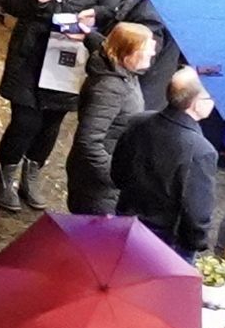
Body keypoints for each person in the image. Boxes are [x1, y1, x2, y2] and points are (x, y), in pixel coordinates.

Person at [0, 0, 148, 215]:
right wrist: (35, 1)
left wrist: (94, 16)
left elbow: (111, 11)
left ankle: (32, 174)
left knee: (51, 124)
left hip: (69, 63)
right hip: (30, 56)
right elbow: (9, 2)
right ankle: (6, 176)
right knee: (24, 123)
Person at [116, 71, 225, 266]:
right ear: (197, 103)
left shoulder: (138, 121)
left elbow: (118, 172)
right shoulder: (201, 151)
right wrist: (194, 244)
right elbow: (197, 211)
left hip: (125, 222)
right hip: (167, 240)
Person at [70, 18, 172, 217]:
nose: (153, 52)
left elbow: (106, 44)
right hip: (98, 187)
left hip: (108, 177)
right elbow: (89, 142)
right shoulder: (110, 88)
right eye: (147, 47)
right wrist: (116, 177)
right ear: (129, 53)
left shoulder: (124, 72)